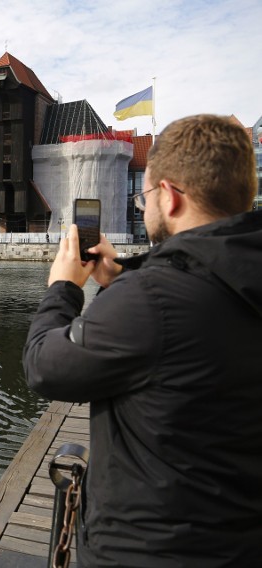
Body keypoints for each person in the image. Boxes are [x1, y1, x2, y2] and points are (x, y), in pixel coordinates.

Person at [22, 114, 262, 567]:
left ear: (169, 197)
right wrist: (121, 277)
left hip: (152, 550)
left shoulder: (153, 301)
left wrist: (63, 288)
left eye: (145, 194)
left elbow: (43, 366)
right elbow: (197, 305)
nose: (143, 204)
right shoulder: (233, 278)